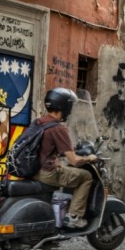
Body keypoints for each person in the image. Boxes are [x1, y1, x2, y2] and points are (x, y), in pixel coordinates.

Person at [33, 87, 97, 229]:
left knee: (65, 169)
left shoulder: (39, 123)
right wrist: (89, 158)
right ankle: (74, 216)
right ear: (64, 106)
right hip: (47, 173)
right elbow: (74, 160)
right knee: (86, 176)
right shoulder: (58, 128)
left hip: (33, 170)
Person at [102, 62, 125, 151]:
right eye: (118, 85)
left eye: (122, 85)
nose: (119, 89)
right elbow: (105, 125)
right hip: (110, 148)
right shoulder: (111, 103)